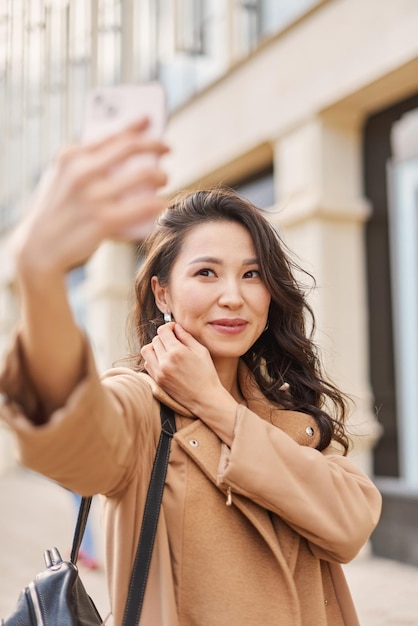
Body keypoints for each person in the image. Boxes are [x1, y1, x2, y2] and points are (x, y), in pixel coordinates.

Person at [0, 119, 381, 626]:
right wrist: (40, 277)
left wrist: (216, 406)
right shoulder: (139, 404)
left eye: (252, 274)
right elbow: (71, 434)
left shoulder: (288, 410)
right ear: (163, 293)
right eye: (206, 272)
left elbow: (351, 526)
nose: (233, 296)